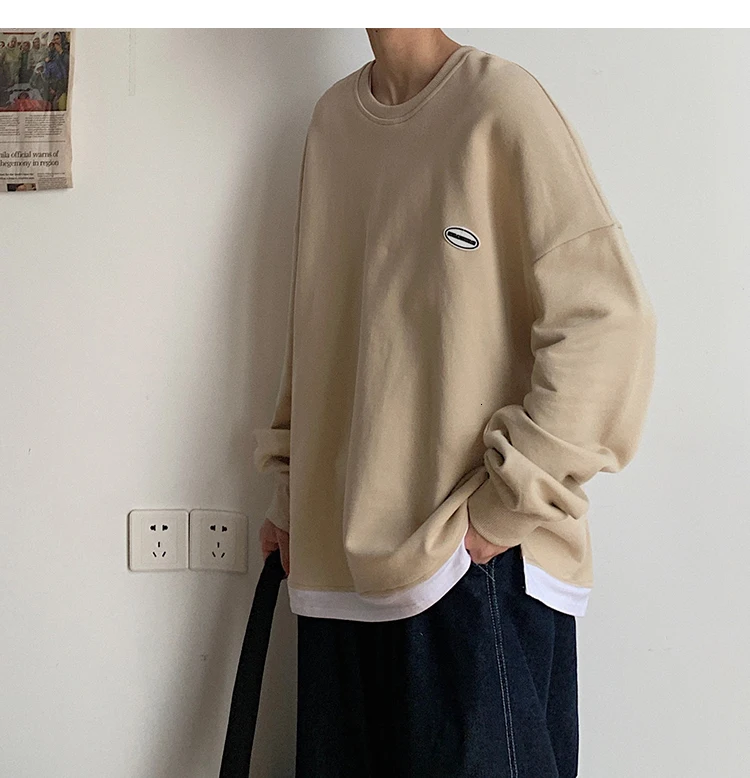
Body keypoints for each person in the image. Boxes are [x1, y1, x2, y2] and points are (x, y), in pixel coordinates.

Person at [253, 28, 656, 777]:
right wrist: (290, 489)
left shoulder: (501, 105)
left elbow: (609, 322)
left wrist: (503, 509)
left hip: (472, 574)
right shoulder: (332, 122)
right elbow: (318, 330)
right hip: (336, 577)